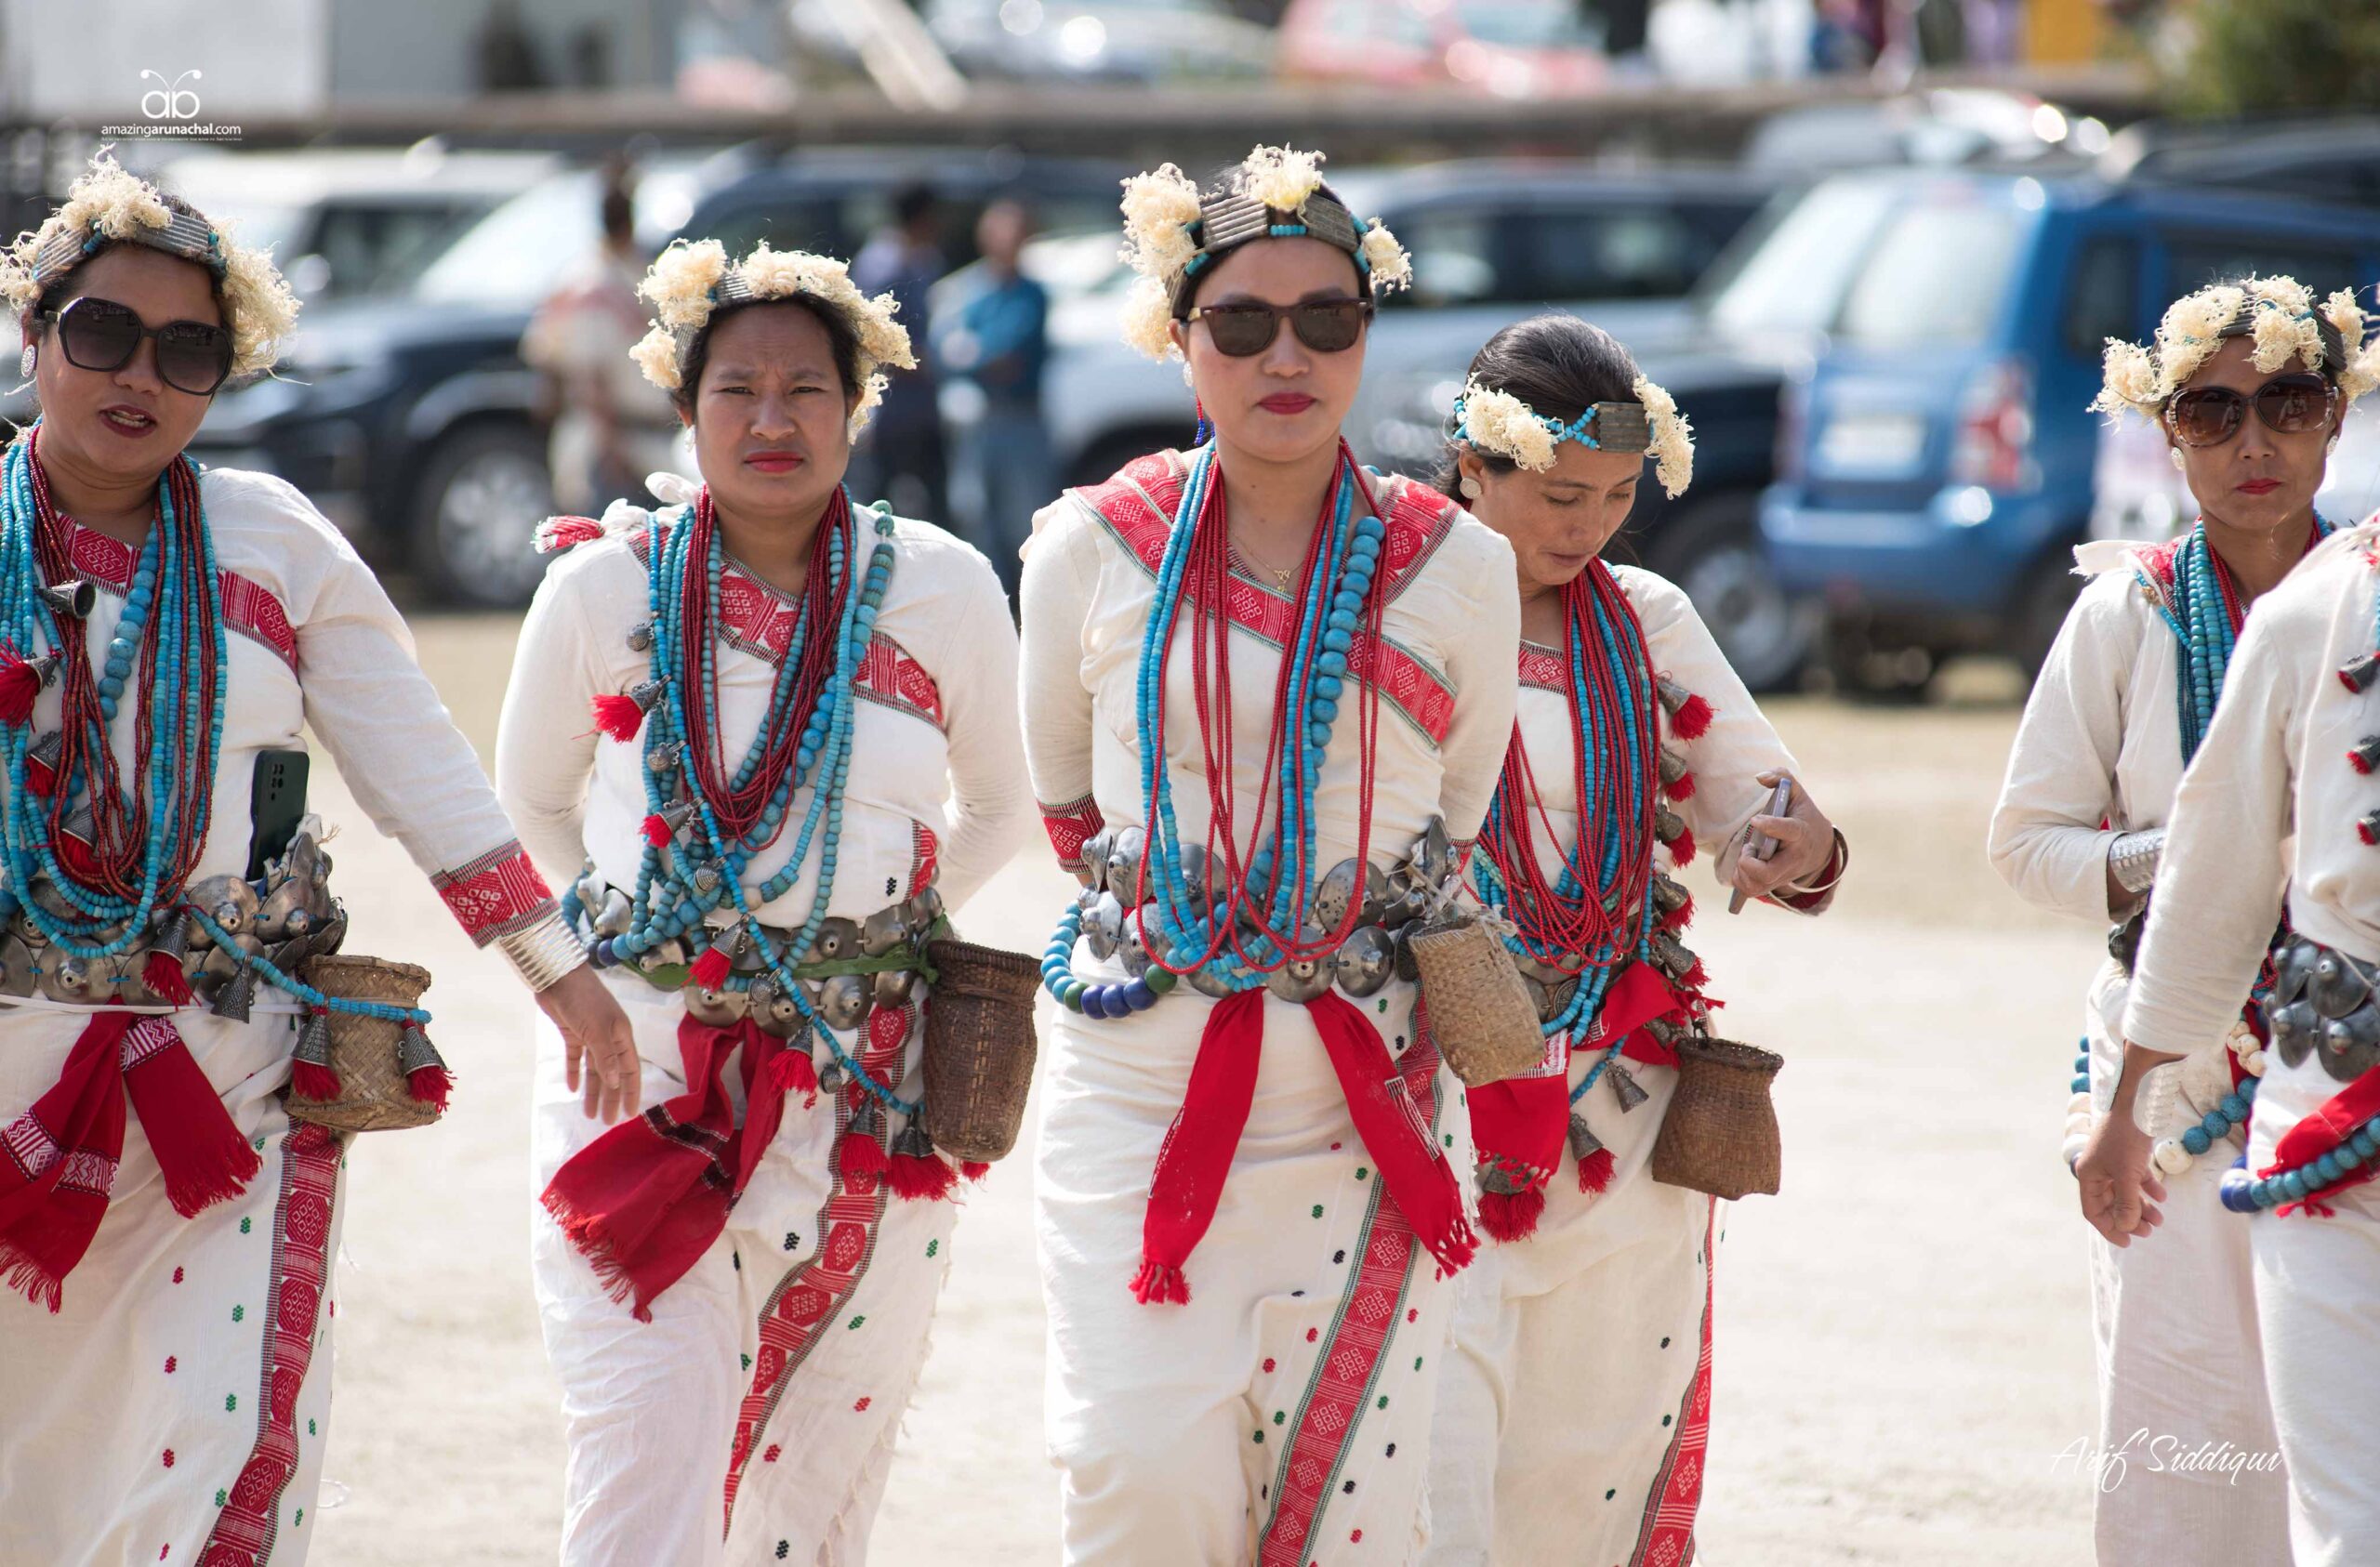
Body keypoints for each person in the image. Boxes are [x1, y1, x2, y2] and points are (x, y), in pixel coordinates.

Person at [0, 151, 635, 1564]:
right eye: (100, 331)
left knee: (209, 1471)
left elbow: (424, 769)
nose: (138, 375)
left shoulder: (273, 543)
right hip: (9, 1082)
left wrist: (558, 973)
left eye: (188, 350)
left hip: (216, 1094)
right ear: (34, 334)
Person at [1018, 144, 1520, 1563]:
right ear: (1182, 339)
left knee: (1355, 1509)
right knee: (1132, 1476)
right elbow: (1066, 807)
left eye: (1327, 319)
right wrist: (1208, 916)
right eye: (1242, 321)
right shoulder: (1087, 548)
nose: (1284, 354)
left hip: (1364, 1100)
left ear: (1369, 335)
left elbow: (1456, 817)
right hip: (1134, 1091)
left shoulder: (1456, 566)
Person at [497, 233, 1032, 1565]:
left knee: (819, 1491)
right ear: (683, 409)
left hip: (870, 1080)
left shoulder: (946, 586)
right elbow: (527, 806)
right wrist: (617, 946)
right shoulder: (602, 586)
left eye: (808, 389)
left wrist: (873, 935)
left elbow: (1004, 806)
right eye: (737, 388)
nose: (774, 418)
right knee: (643, 1463)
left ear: (856, 407)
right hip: (641, 1075)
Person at [1421, 314, 1846, 1565]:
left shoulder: (1645, 619)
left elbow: (1779, 812)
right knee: (1429, 1477)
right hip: (1434, 1102)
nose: (1587, 526)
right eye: (1558, 495)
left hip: (1621, 1115)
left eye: (1614, 496)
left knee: (1585, 1473)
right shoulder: (1394, 612)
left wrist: (1794, 844)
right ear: (1472, 467)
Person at [1992, 273, 2364, 1565]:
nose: (2254, 443)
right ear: (2168, 434)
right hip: (2180, 1076)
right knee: (2189, 1425)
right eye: (2213, 413)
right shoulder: (2131, 610)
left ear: (2338, 417)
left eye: (2290, 404)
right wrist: (2201, 851)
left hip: (2349, 1054)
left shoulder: (2364, 601)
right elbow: (2027, 843)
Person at [521, 165, 681, 516]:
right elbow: (585, 377)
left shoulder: (632, 268)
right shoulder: (590, 282)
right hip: (612, 447)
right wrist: (612, 448)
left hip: (647, 441)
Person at [932, 198, 1051, 592]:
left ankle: (1033, 599)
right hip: (978, 419)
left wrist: (971, 353)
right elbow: (940, 349)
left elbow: (1007, 353)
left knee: (1027, 517)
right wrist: (974, 356)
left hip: (1021, 417)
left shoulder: (1031, 293)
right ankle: (988, 597)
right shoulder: (970, 289)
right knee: (974, 511)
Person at [849, 182, 947, 524]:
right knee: (882, 510)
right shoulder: (883, 267)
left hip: (921, 411)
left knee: (936, 511)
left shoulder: (921, 260)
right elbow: (875, 343)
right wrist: (928, 362)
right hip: (890, 414)